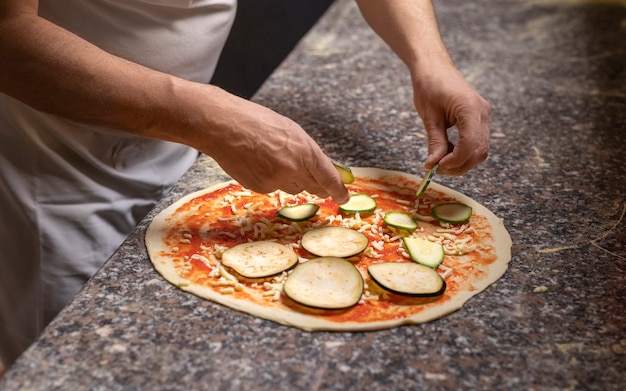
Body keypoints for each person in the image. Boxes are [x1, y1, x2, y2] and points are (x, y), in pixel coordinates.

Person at [0, 0, 490, 369]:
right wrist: (205, 117)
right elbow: (8, 33)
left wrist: (430, 61)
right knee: (82, 370)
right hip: (53, 165)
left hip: (181, 147)